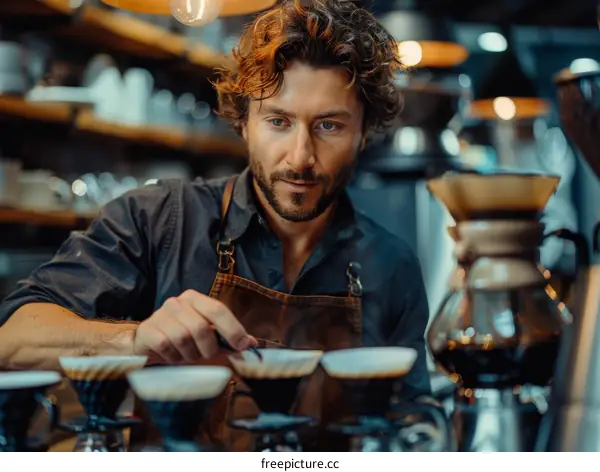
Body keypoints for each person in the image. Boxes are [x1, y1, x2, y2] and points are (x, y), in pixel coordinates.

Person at [0, 0, 431, 451]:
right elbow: (12, 338)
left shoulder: (393, 266)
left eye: (329, 125)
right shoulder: (159, 219)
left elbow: (414, 419)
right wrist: (135, 339)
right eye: (278, 121)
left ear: (364, 132)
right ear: (243, 122)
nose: (301, 156)